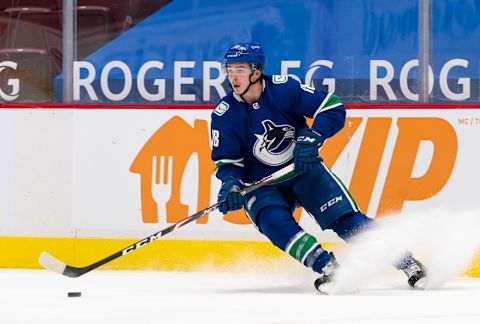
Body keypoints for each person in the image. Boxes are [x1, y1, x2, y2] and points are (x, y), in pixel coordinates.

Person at [209, 42, 426, 293]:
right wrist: (231, 183)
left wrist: (314, 135)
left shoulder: (284, 88)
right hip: (263, 183)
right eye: (230, 70)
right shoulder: (224, 114)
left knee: (347, 221)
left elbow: (331, 107)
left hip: (304, 169)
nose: (233, 76)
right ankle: (329, 268)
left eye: (240, 69)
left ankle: (408, 263)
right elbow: (227, 161)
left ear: (256, 72)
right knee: (273, 221)